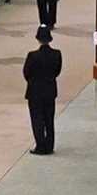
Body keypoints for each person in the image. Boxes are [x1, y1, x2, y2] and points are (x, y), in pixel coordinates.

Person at [23, 26, 62, 155]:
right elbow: (57, 71)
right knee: (49, 119)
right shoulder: (57, 54)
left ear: (38, 39)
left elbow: (26, 73)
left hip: (35, 91)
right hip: (50, 91)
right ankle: (49, 145)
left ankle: (40, 145)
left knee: (37, 119)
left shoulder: (32, 56)